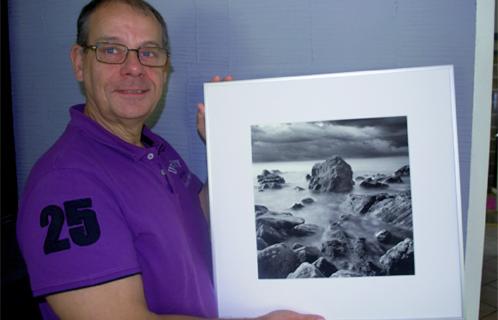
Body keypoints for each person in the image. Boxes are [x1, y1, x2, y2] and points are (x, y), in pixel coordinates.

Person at [16, 0, 324, 319]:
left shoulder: (154, 149)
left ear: (165, 68)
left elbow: (199, 217)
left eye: (149, 52)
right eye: (111, 50)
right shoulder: (66, 183)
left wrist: (226, 147)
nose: (134, 67)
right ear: (80, 62)